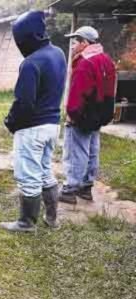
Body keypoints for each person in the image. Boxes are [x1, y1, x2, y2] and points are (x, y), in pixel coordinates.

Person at [0, 11, 67, 232]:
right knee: (45, 170)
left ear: (27, 37)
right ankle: (52, 218)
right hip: (52, 125)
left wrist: (10, 122)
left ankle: (26, 223)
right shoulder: (58, 54)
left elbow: (24, 103)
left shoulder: (31, 63)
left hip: (32, 128)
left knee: (28, 173)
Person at [59, 26, 117, 204]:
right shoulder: (106, 60)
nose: (72, 46)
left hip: (82, 115)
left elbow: (78, 93)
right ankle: (86, 187)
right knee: (92, 151)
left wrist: (72, 114)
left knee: (76, 152)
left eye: (75, 42)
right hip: (98, 114)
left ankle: (70, 189)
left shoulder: (85, 63)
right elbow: (111, 90)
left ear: (85, 43)